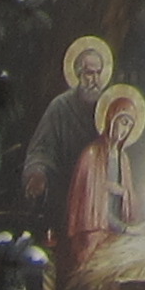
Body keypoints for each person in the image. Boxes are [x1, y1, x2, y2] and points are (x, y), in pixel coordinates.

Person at [24, 35, 115, 218]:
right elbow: (41, 149)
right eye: (89, 73)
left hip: (101, 195)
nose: (94, 79)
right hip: (65, 191)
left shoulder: (110, 107)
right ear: (78, 74)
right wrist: (37, 173)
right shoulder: (61, 107)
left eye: (98, 73)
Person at [65, 83, 145, 283]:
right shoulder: (92, 155)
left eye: (129, 125)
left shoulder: (123, 159)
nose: (124, 130)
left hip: (118, 233)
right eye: (122, 122)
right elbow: (92, 212)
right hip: (95, 237)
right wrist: (126, 230)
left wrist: (125, 201)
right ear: (111, 118)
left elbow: (129, 207)